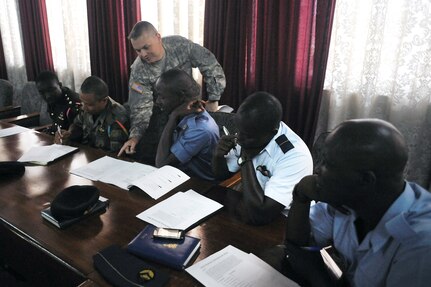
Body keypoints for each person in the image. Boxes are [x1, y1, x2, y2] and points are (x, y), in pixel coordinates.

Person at [283, 119, 431, 287]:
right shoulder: (349, 199)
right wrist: (301, 194)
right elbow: (297, 246)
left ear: (365, 180)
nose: (317, 169)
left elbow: (305, 262)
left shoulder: (420, 243)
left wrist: (317, 276)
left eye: (327, 164)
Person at [118, 21, 226, 158]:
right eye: (138, 50)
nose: (143, 54)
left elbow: (209, 64)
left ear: (158, 37)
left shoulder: (179, 46)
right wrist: (135, 136)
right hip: (163, 114)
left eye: (146, 47)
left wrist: (214, 98)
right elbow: (140, 107)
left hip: (191, 108)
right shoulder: (139, 70)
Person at [212, 91, 313, 225]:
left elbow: (262, 215)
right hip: (250, 204)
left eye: (247, 135)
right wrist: (218, 155)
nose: (239, 139)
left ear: (272, 132)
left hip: (283, 221)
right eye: (239, 130)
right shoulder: (249, 133)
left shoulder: (294, 156)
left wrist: (245, 159)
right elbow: (221, 175)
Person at [154, 69, 219, 181]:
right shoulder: (182, 114)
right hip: (179, 177)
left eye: (162, 97)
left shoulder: (201, 129)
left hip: (199, 186)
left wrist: (173, 117)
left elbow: (161, 164)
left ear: (181, 97)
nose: (157, 101)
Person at [55, 76, 129, 153]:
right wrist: (69, 133)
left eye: (89, 105)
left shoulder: (117, 117)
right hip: (87, 154)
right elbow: (77, 124)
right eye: (82, 102)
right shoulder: (86, 107)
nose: (83, 107)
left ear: (104, 101)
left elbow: (117, 154)